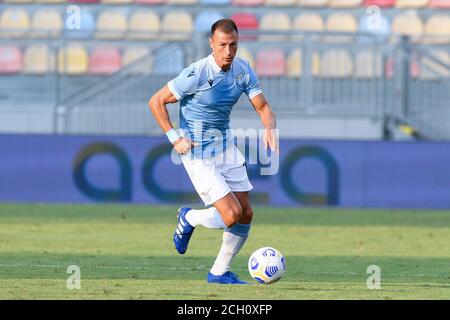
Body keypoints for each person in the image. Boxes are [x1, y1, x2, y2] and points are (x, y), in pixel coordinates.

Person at [148, 19, 278, 284]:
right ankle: (190, 217)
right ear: (211, 44)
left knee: (246, 213)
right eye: (222, 45)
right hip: (197, 152)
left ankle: (219, 272)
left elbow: (263, 107)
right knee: (230, 215)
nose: (228, 51)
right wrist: (175, 138)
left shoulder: (242, 70)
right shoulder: (196, 73)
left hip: (225, 147)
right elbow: (156, 101)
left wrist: (269, 130)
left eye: (233, 45)